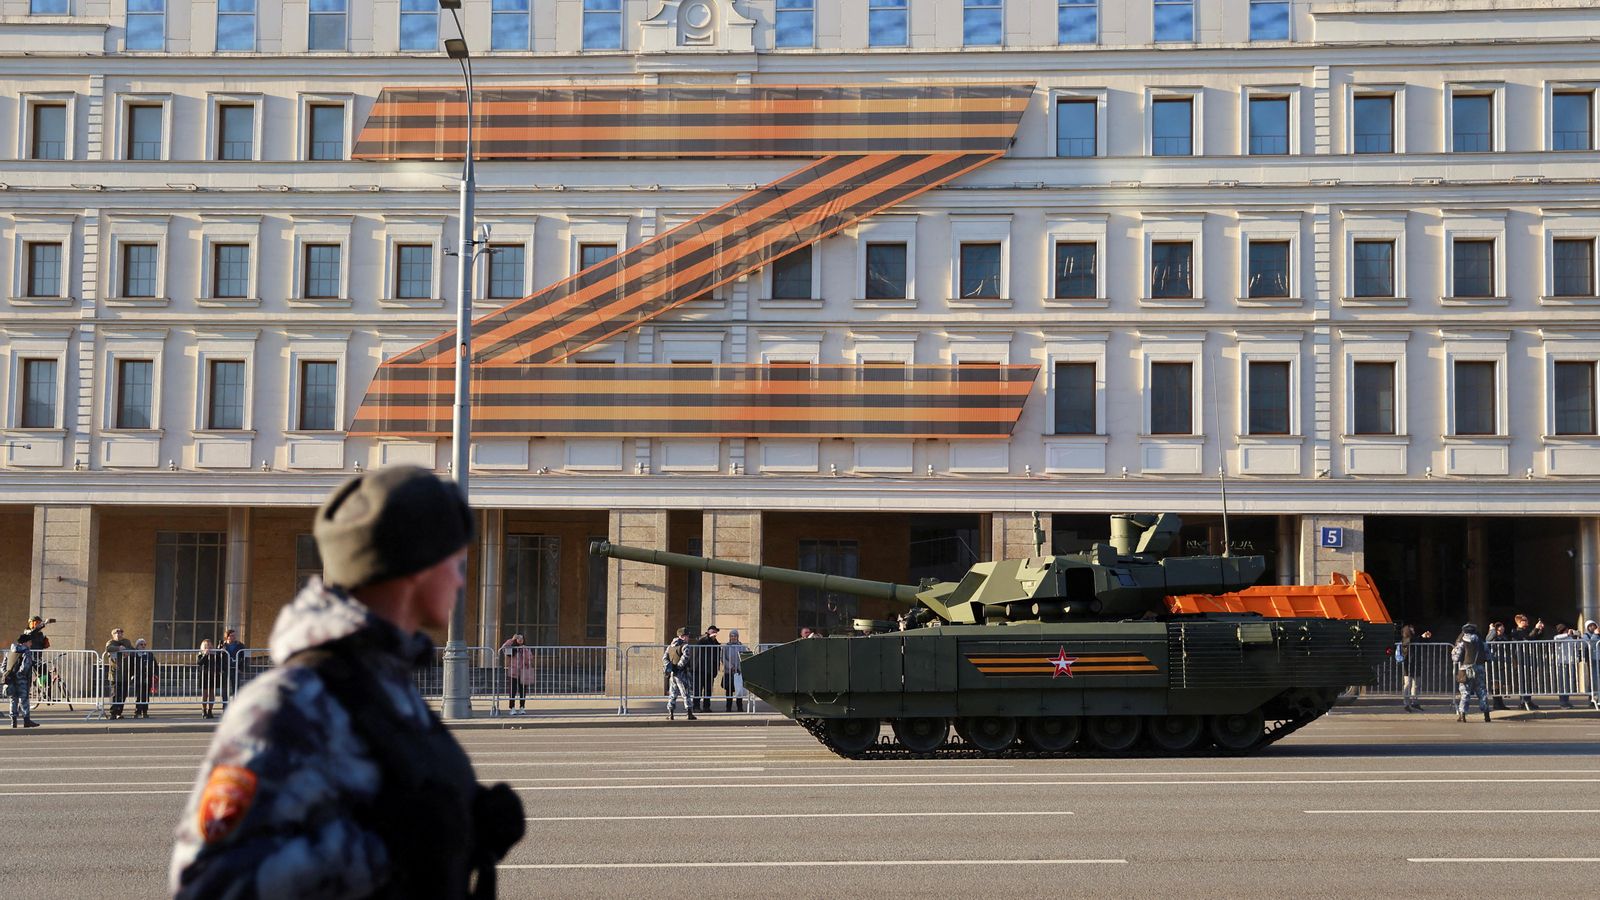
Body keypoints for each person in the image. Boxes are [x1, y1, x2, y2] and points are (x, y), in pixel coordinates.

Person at [169, 465, 525, 898]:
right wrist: (392, 850)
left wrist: (467, 829)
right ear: (416, 566)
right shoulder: (287, 701)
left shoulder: (387, 684)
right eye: (454, 561)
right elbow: (208, 880)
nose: (460, 579)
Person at [1453, 623, 1493, 723]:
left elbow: (1456, 658)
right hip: (1479, 668)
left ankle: (1462, 715)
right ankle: (1486, 715)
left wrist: (1453, 652)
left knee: (1465, 692)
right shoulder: (1481, 642)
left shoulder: (1462, 642)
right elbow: (1488, 656)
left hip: (1466, 668)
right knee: (1482, 691)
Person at [1506, 613, 1546, 711]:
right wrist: (1535, 629)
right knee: (1523, 680)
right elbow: (1527, 638)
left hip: (1528, 658)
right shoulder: (1516, 632)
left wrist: (1540, 630)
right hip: (1520, 659)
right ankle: (1523, 701)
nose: (1527, 622)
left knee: (1529, 680)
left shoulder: (1526, 631)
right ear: (1519, 622)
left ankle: (1528, 700)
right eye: (1525, 620)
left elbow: (1535, 637)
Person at [3, 635, 41, 728]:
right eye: (30, 642)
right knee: (24, 700)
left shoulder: (10, 651)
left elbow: (3, 666)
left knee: (13, 700)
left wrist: (7, 674)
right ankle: (26, 721)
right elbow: (26, 666)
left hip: (10, 679)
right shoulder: (26, 652)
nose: (31, 644)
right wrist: (19, 675)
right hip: (22, 680)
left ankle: (13, 721)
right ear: (25, 642)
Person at [663, 626, 697, 721]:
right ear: (682, 636)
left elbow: (665, 658)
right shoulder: (685, 646)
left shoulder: (670, 646)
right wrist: (678, 667)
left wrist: (670, 667)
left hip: (672, 673)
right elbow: (685, 658)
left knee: (672, 693)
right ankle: (689, 713)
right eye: (687, 636)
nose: (688, 638)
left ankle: (671, 714)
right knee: (685, 693)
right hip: (682, 673)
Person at [1397, 624, 1432, 712]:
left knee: (1416, 684)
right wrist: (1422, 636)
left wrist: (1426, 637)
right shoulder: (1405, 639)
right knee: (1407, 684)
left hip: (1416, 663)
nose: (1413, 630)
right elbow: (1410, 641)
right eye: (1411, 629)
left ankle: (1414, 702)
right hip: (1408, 664)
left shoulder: (1415, 638)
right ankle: (1406, 704)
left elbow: (1421, 641)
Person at [500, 633, 533, 715]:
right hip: (513, 672)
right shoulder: (512, 647)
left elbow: (530, 658)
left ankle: (522, 707)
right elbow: (503, 648)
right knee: (512, 690)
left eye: (522, 638)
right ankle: (512, 708)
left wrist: (525, 651)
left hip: (523, 671)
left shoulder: (525, 648)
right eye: (518, 638)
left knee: (523, 690)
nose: (520, 640)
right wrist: (511, 640)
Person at [104, 627, 134, 720]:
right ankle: (113, 713)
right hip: (114, 673)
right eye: (116, 633)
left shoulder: (126, 641)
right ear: (113, 635)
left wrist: (128, 651)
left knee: (123, 694)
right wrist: (119, 648)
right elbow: (108, 648)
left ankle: (119, 713)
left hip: (125, 673)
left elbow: (132, 650)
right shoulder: (110, 642)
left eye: (120, 633)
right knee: (115, 694)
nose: (118, 634)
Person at [128, 638, 158, 719]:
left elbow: (155, 665)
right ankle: (137, 711)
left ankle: (145, 711)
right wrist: (131, 675)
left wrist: (155, 674)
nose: (143, 646)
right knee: (139, 695)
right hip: (138, 677)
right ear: (137, 645)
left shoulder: (149, 654)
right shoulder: (134, 654)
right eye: (141, 644)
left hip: (148, 677)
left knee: (146, 695)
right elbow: (130, 666)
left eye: (145, 644)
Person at [694, 626, 721, 712]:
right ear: (708, 632)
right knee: (698, 689)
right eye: (713, 631)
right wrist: (707, 636)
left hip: (710, 670)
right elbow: (699, 641)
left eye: (715, 632)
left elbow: (717, 656)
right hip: (700, 669)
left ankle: (706, 707)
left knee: (708, 689)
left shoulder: (716, 643)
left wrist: (716, 669)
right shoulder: (703, 640)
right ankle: (696, 707)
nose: (714, 633)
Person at [217, 628, 245, 709]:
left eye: (234, 635)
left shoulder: (240, 645)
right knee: (224, 688)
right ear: (227, 637)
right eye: (232, 636)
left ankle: (236, 705)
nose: (234, 637)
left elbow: (244, 657)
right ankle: (225, 705)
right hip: (225, 669)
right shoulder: (222, 645)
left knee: (236, 688)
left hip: (235, 669)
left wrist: (241, 668)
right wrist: (219, 669)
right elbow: (217, 658)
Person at [721, 628, 747, 712]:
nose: (733, 637)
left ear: (737, 637)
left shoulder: (742, 647)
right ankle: (728, 707)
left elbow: (743, 658)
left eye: (735, 636)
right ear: (729, 637)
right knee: (729, 691)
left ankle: (740, 707)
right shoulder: (726, 647)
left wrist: (738, 667)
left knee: (739, 690)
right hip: (729, 672)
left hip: (738, 672)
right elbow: (723, 658)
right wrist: (731, 667)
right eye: (732, 636)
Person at [196, 639, 220, 720]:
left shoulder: (215, 654)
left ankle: (210, 710)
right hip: (204, 675)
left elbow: (219, 663)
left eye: (210, 645)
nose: (208, 647)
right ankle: (204, 710)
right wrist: (205, 655)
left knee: (212, 693)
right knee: (205, 693)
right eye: (206, 645)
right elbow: (199, 663)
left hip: (213, 675)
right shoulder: (201, 654)